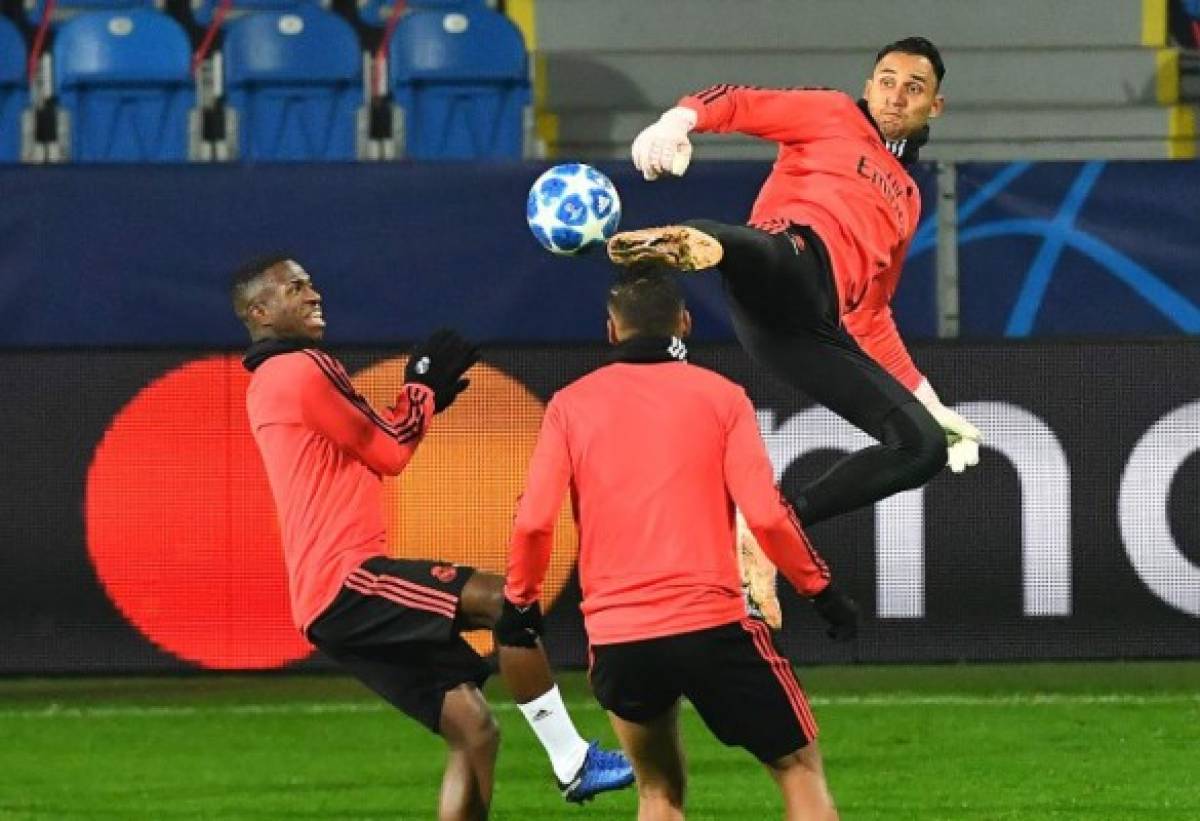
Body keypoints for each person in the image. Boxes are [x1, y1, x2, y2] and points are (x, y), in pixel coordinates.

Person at [231, 255, 633, 820]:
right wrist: (420, 390)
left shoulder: (270, 381)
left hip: (325, 598)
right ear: (260, 312)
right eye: (294, 288)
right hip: (345, 582)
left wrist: (421, 398)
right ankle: (572, 759)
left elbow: (376, 441)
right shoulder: (302, 368)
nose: (313, 293)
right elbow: (391, 451)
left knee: (475, 731)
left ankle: (569, 760)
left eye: (311, 283)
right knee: (505, 600)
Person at [496, 269, 860, 820]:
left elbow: (532, 524)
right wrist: (821, 591)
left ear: (611, 331)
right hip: (712, 625)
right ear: (685, 324)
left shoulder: (571, 406)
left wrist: (521, 604)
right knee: (797, 769)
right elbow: (765, 513)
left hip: (621, 639)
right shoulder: (722, 397)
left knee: (658, 792)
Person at [608, 37, 982, 535]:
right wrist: (678, 121)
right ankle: (693, 238)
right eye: (887, 82)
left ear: (934, 106)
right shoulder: (832, 113)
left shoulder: (909, 199)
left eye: (913, 89)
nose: (895, 96)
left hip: (800, 333)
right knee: (772, 248)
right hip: (787, 257)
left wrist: (929, 401)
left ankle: (769, 528)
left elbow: (870, 314)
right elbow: (739, 102)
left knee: (922, 448)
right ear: (868, 87)